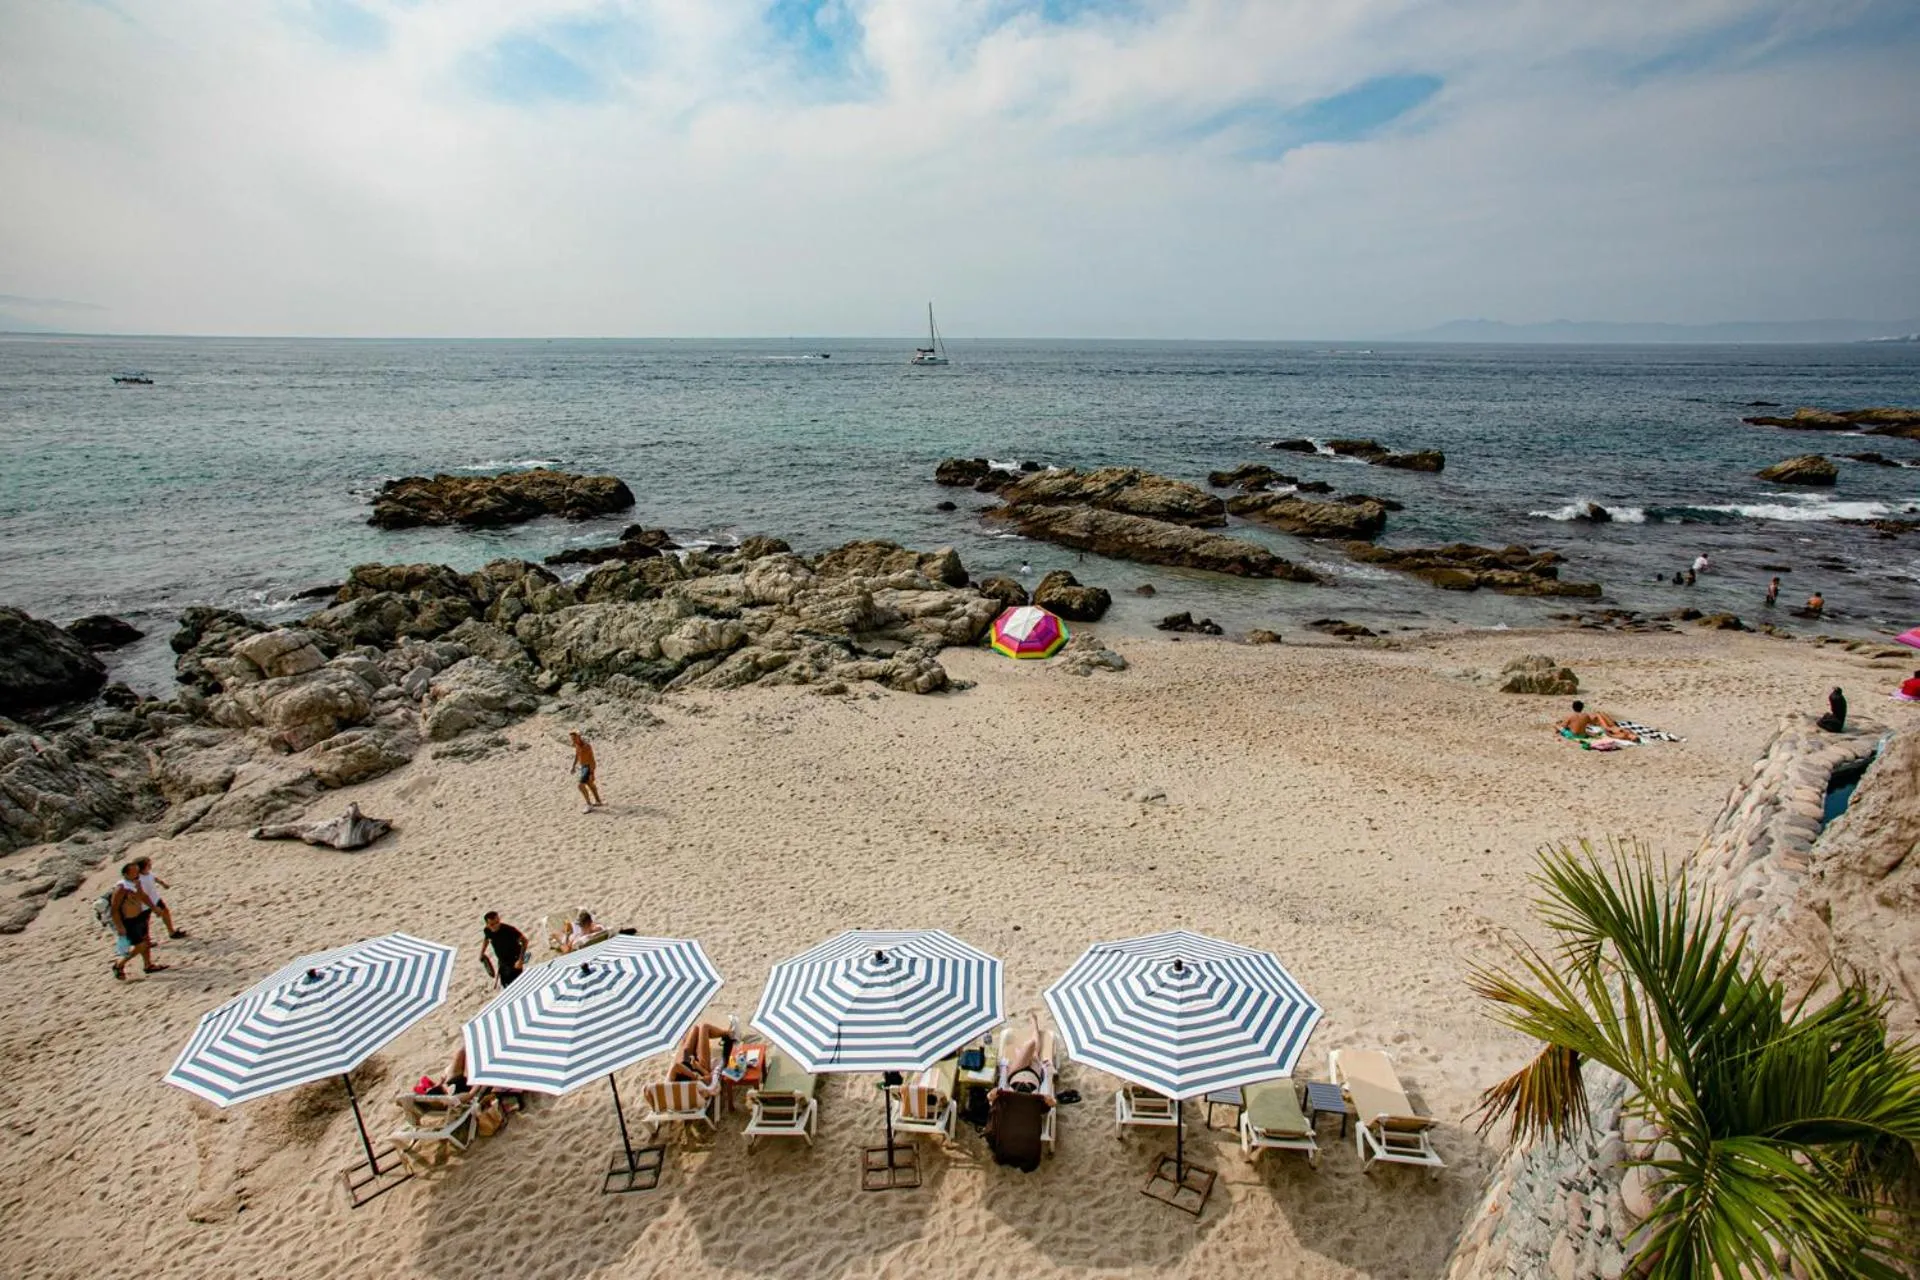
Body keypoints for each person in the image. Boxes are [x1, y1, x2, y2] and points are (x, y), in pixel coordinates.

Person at [987, 1014, 1057, 1172]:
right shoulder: (1035, 1103)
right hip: (1033, 1078)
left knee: (1032, 1050)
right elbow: (1052, 1104)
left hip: (1015, 1074)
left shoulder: (1005, 1100)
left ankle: (1034, 1026)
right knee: (1034, 1052)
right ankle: (1034, 1025)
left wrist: (993, 1094)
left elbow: (992, 1100)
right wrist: (1048, 1099)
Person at [109, 862, 168, 980]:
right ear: (126, 874)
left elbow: (143, 896)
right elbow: (114, 909)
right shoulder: (121, 888)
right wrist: (120, 926)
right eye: (134, 872)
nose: (137, 873)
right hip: (128, 921)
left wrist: (154, 908)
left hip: (139, 916)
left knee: (146, 940)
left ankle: (148, 965)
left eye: (137, 871)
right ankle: (119, 964)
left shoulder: (136, 883)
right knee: (140, 945)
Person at [135, 857, 186, 939]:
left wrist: (163, 884)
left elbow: (154, 878)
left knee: (165, 912)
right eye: (148, 865)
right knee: (145, 922)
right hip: (145, 904)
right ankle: (146, 940)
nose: (150, 866)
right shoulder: (139, 880)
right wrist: (154, 908)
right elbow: (141, 895)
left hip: (155, 898)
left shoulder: (148, 873)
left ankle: (171, 932)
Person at [481, 912, 528, 988]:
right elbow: (486, 939)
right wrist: (482, 953)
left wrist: (520, 960)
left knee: (517, 984)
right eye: (492, 924)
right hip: (502, 962)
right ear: (487, 925)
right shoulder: (487, 931)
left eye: (497, 922)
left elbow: (525, 941)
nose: (496, 926)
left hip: (515, 959)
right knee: (505, 985)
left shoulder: (509, 930)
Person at [1557, 700, 1639, 742]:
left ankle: (1596, 716)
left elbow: (1611, 735)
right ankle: (1597, 716)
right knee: (1600, 713)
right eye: (1635, 736)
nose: (1634, 736)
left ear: (1631, 739)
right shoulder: (1630, 733)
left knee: (1598, 715)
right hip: (1613, 726)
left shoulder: (1623, 736)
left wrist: (1605, 732)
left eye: (1634, 737)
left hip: (1608, 728)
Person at [569, 731, 602, 813]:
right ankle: (598, 801)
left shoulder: (586, 746)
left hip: (588, 766)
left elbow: (591, 760)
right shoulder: (577, 745)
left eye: (574, 738)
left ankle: (589, 804)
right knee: (589, 784)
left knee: (580, 785)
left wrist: (591, 772)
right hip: (583, 767)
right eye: (572, 739)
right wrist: (573, 766)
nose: (573, 740)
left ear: (579, 737)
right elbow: (577, 755)